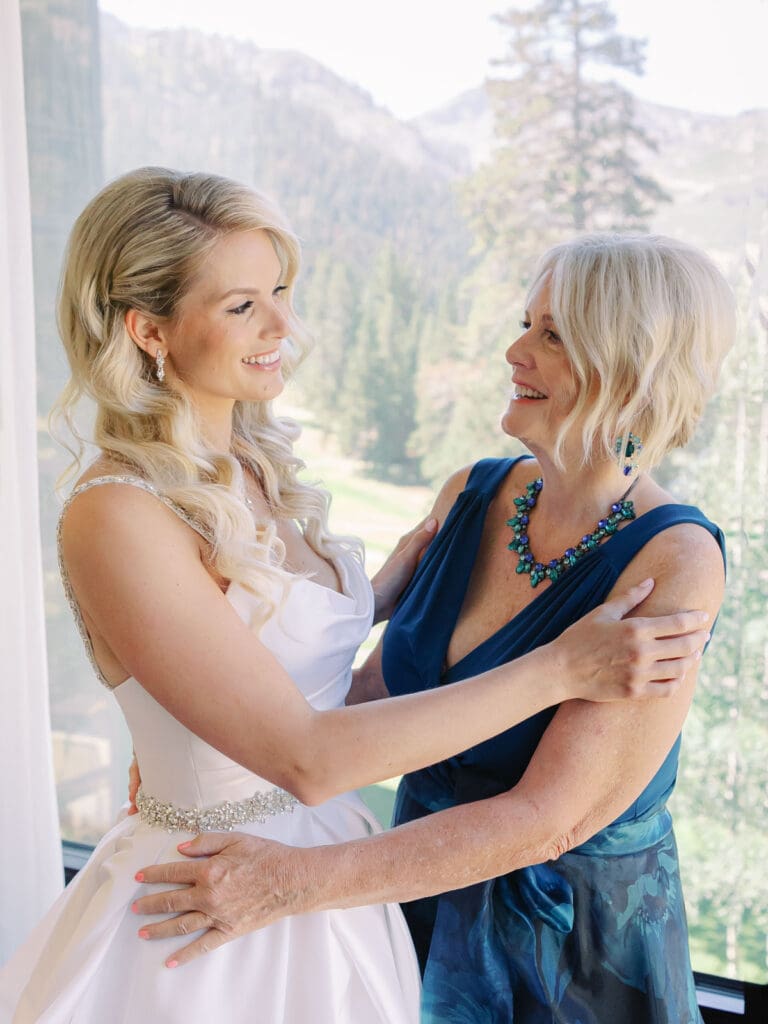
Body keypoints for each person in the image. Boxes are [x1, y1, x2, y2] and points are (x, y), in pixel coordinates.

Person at [0, 168, 708, 1024]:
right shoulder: (121, 510)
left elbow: (541, 811)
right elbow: (307, 747)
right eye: (242, 306)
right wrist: (561, 667)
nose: (283, 327)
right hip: (239, 882)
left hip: (553, 948)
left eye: (281, 293)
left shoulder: (256, 469)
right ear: (148, 329)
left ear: (628, 362)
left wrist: (369, 599)